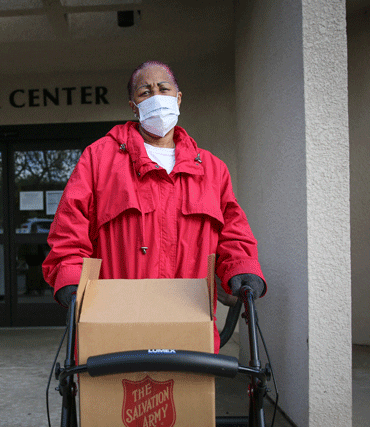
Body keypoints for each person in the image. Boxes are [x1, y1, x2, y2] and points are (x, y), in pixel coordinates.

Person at [42, 60, 266, 353]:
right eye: (145, 92)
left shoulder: (212, 169)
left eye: (163, 88)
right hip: (116, 324)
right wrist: (71, 279)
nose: (156, 97)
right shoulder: (99, 159)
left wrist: (242, 268)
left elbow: (233, 232)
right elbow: (70, 227)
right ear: (133, 107)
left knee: (184, 398)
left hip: (189, 322)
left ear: (178, 97)